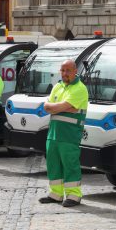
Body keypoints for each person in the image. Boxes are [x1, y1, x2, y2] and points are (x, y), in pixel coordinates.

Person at [39, 59, 88, 207]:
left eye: (68, 70)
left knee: (70, 164)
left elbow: (57, 106)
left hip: (69, 134)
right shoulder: (57, 87)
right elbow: (46, 106)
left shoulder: (80, 88)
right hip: (53, 133)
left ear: (75, 71)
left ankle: (74, 195)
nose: (65, 73)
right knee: (53, 164)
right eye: (62, 70)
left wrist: (56, 107)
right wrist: (59, 107)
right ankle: (56, 194)